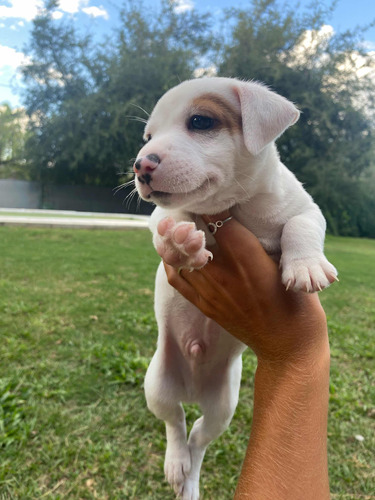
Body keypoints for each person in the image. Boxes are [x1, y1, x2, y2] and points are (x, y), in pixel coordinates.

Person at [163, 212, 331, 500]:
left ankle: (197, 447)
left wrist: (303, 250)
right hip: (175, 350)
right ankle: (174, 428)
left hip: (225, 360)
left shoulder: (270, 189)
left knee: (219, 417)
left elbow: (305, 210)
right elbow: (161, 223)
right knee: (160, 395)